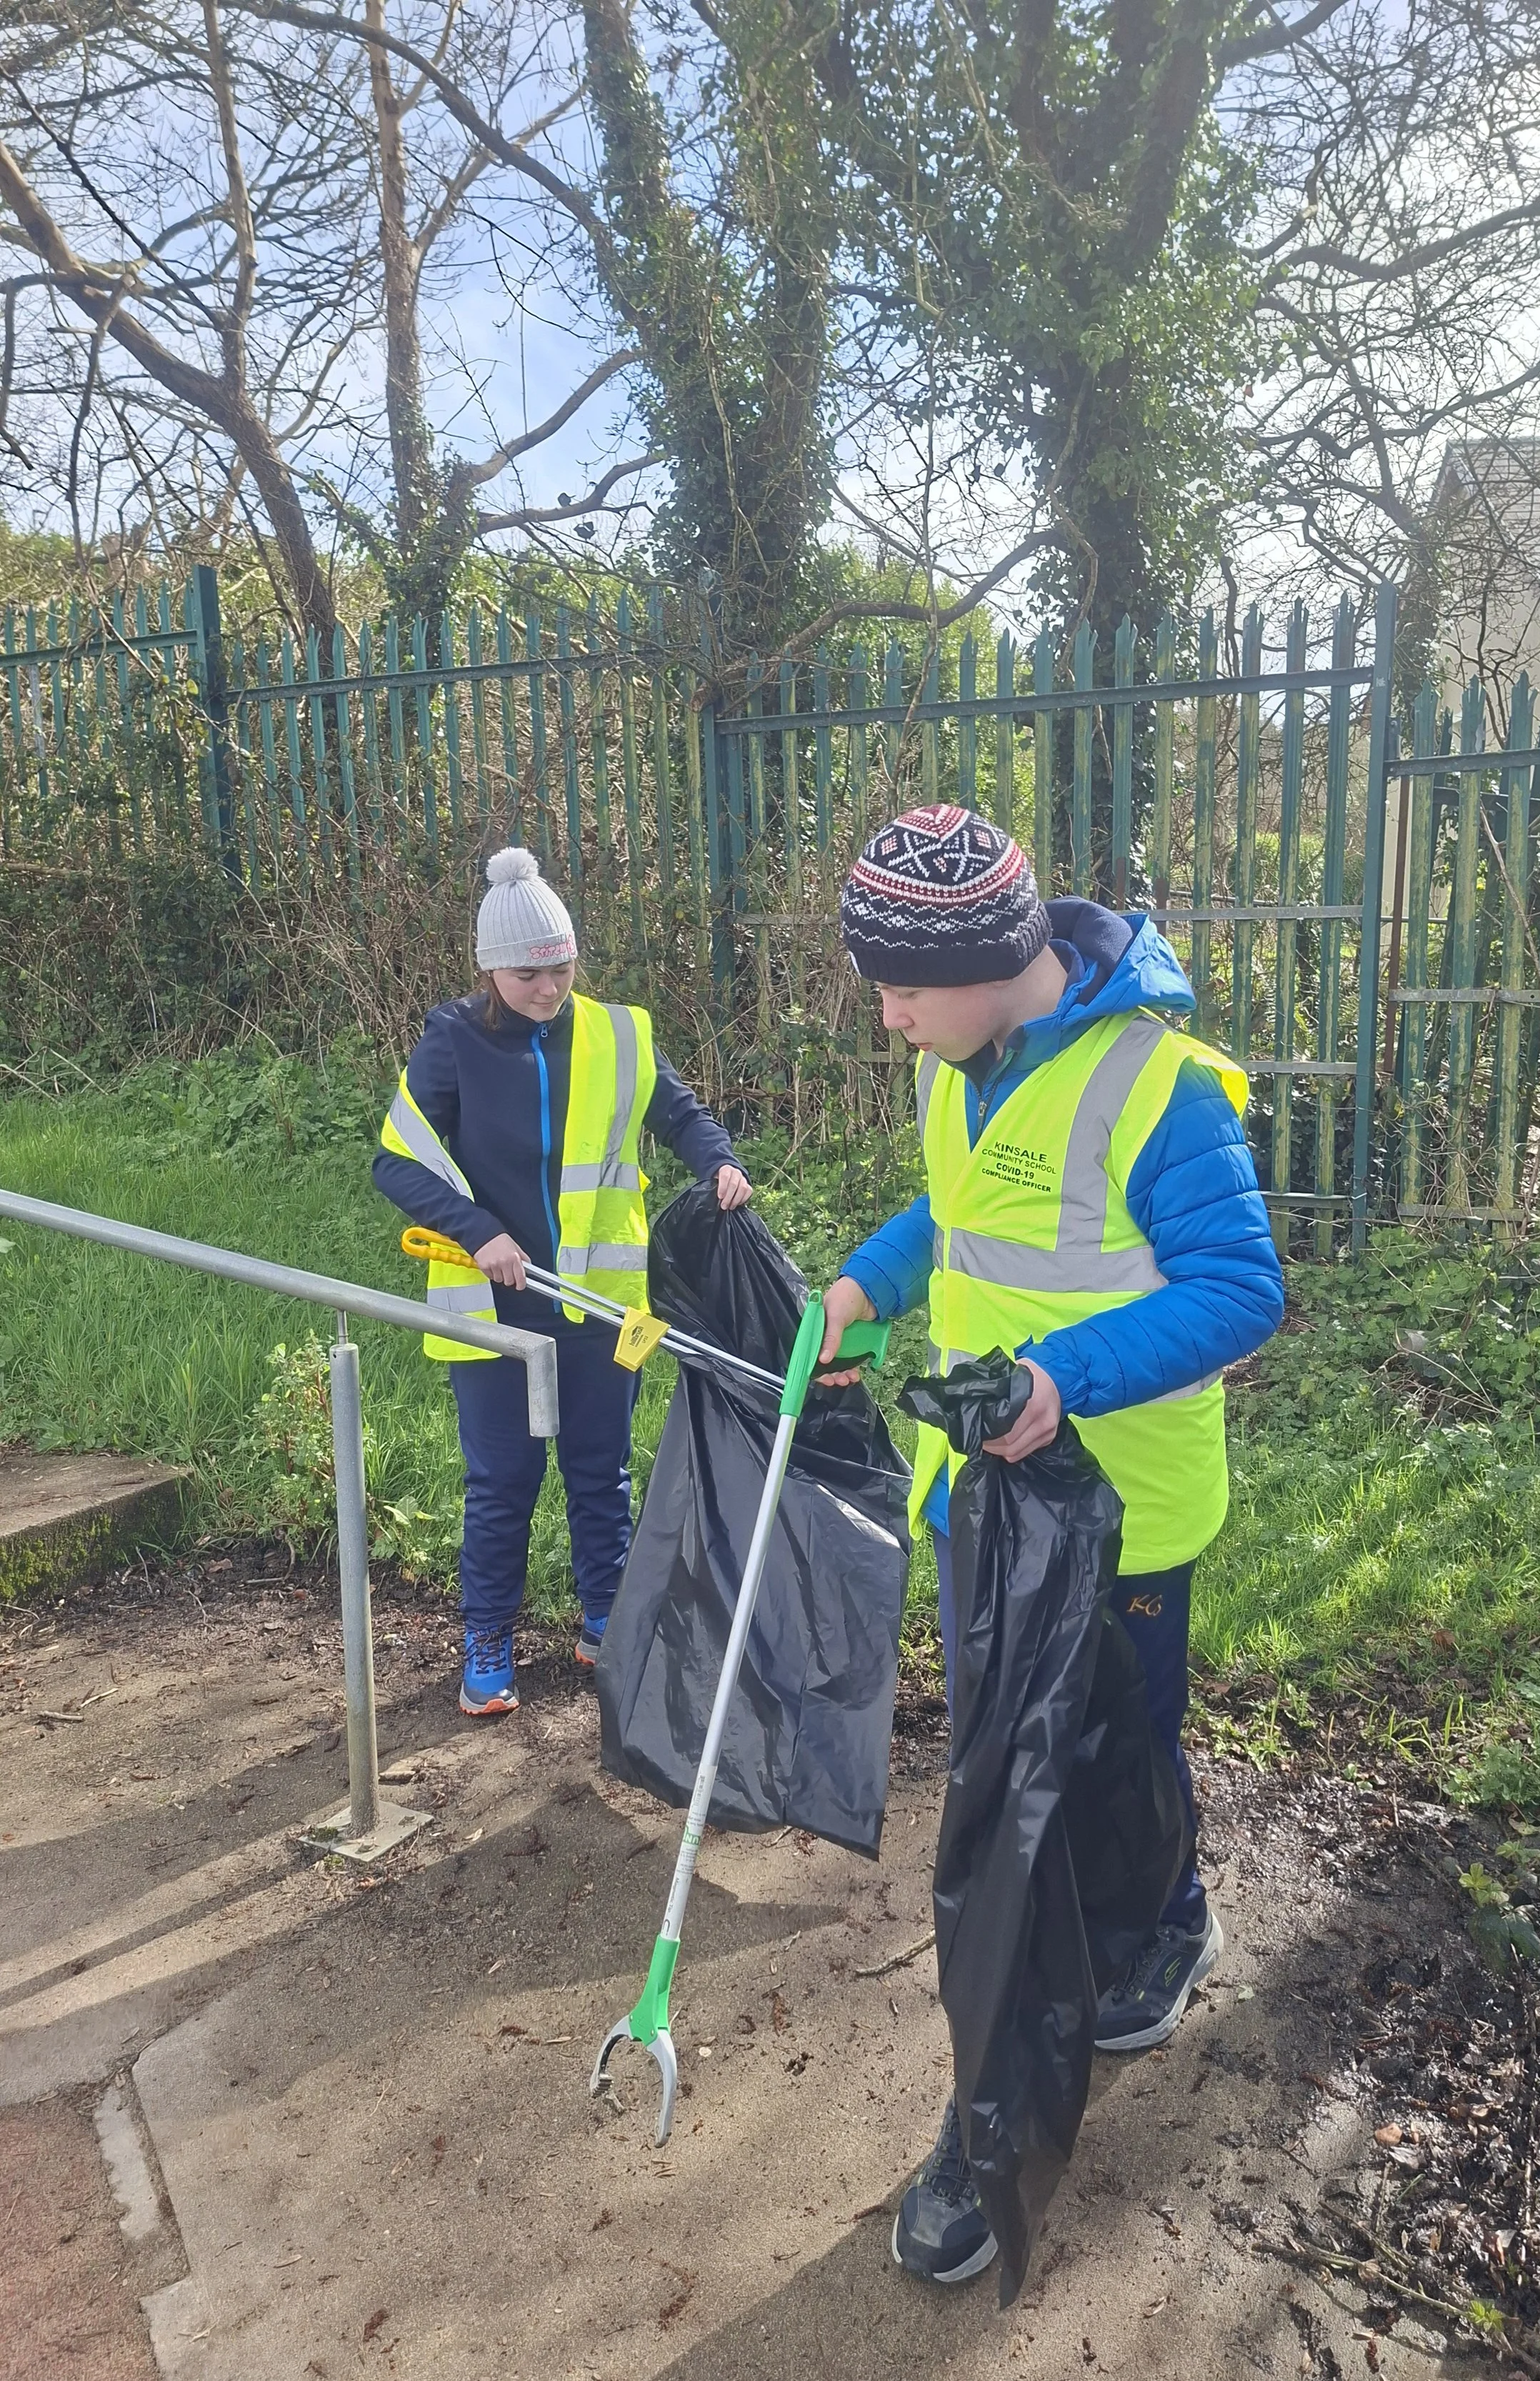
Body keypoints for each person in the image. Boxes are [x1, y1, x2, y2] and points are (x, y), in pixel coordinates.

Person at [817, 804, 1284, 2285]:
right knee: (1026, 1801)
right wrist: (862, 1283)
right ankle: (1127, 1963)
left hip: (1118, 1515)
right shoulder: (953, 1063)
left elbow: (1239, 1285)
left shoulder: (1159, 1087)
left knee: (1095, 1776)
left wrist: (1055, 1382)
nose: (883, 1014)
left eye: (900, 985)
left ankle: (1071, 2025)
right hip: (981, 1510)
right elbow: (956, 1213)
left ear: (991, 955)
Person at [374, 847, 750, 1717]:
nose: (548, 986)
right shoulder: (451, 1042)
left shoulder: (620, 1033)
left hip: (601, 1307)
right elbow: (398, 1163)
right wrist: (479, 1233)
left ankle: (606, 1620)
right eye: (528, 972)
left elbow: (679, 1113)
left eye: (561, 965)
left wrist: (718, 1162)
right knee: (502, 1479)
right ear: (487, 970)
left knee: (600, 1469)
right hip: (492, 1310)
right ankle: (489, 1641)